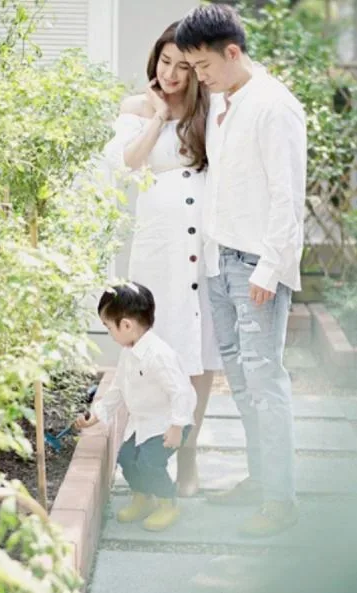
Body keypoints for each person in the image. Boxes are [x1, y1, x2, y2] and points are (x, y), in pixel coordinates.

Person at [175, 4, 307, 537]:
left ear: (232, 52)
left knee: (264, 380)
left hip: (256, 265)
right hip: (219, 260)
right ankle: (260, 480)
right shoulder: (223, 102)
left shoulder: (275, 106)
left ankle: (281, 500)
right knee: (242, 381)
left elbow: (287, 196)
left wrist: (269, 270)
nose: (199, 77)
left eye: (203, 66)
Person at [103, 21, 221, 498]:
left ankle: (187, 456)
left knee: (197, 352)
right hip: (157, 248)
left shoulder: (208, 110)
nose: (170, 74)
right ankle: (148, 456)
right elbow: (128, 163)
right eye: (164, 62)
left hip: (200, 247)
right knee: (151, 351)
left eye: (182, 66)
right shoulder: (136, 108)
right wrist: (157, 115)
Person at [76, 282, 195, 531]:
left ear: (126, 325)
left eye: (109, 327)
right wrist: (97, 414)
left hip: (168, 424)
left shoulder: (159, 355)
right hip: (143, 423)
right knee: (128, 458)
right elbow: (118, 388)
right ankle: (143, 497)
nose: (109, 333)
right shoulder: (129, 351)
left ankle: (167, 503)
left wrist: (177, 426)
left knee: (150, 463)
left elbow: (181, 392)